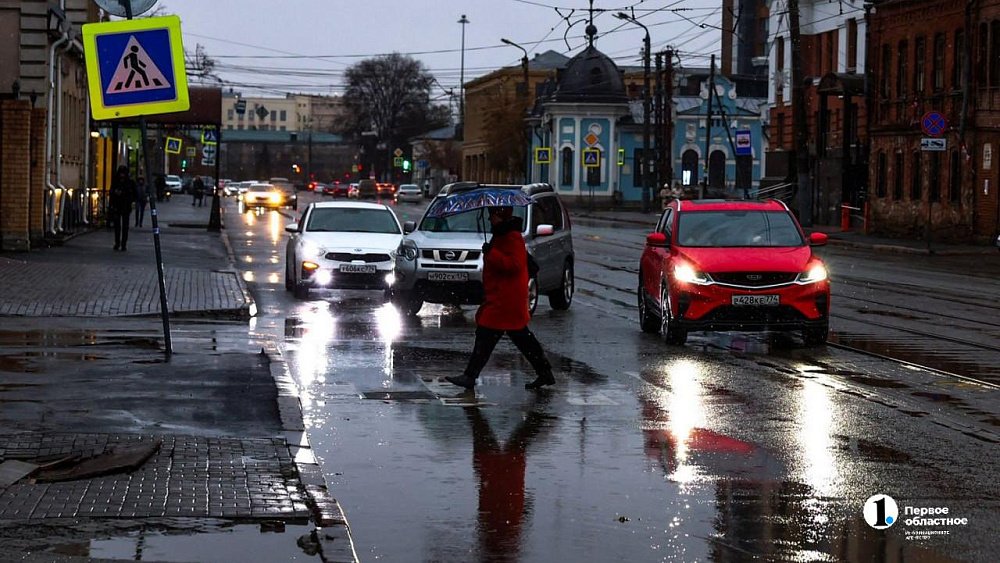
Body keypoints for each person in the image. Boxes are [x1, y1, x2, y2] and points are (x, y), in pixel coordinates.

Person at [445, 205, 555, 391]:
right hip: (502, 296)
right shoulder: (502, 234)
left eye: (492, 215)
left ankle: (470, 376)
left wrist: (491, 253)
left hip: (506, 299)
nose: (489, 219)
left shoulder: (511, 237)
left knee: (486, 336)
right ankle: (545, 373)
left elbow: (515, 265)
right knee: (522, 338)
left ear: (500, 216)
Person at [108, 165, 135, 251]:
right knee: (118, 226)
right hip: (118, 206)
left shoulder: (129, 182)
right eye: (121, 173)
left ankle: (123, 243)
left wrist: (127, 197)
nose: (122, 175)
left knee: (124, 226)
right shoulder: (117, 181)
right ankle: (118, 243)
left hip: (125, 206)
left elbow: (134, 194)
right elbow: (111, 193)